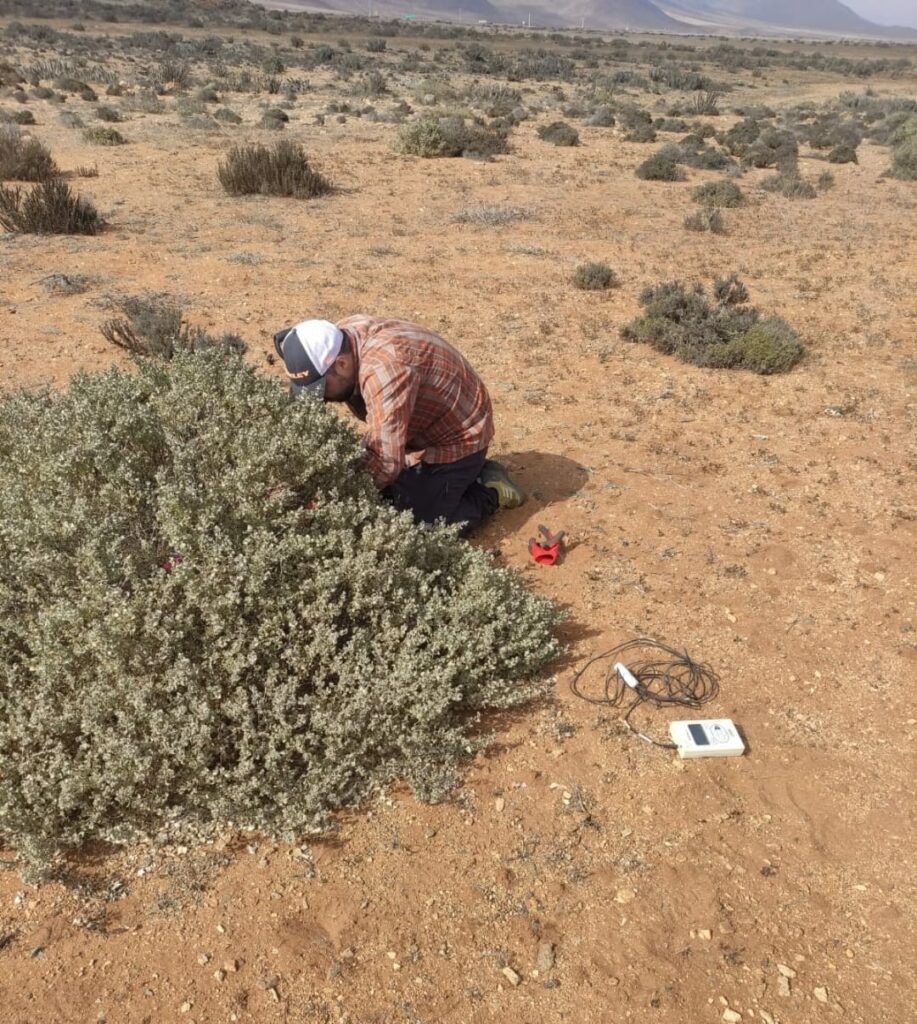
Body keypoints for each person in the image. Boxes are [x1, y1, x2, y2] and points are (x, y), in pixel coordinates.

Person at [273, 315, 524, 534]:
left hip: (460, 436)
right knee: (384, 496)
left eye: (322, 388)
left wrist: (335, 497)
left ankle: (488, 489)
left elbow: (384, 462)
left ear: (341, 364)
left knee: (416, 528)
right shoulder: (341, 338)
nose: (323, 399)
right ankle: (445, 481)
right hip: (418, 427)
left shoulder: (385, 372)